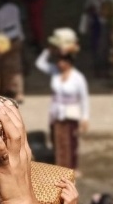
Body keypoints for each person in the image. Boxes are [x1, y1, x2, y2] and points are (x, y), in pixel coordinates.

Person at [36, 34, 90, 172]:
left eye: (63, 62)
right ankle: (59, 167)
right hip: (56, 112)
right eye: (58, 62)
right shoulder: (55, 73)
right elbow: (40, 64)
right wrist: (49, 50)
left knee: (71, 142)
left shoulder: (78, 78)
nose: (60, 64)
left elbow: (84, 98)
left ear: (69, 62)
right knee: (57, 141)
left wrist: (85, 117)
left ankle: (72, 168)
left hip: (71, 113)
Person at [81, 0, 113, 78]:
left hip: (105, 22)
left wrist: (106, 11)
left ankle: (105, 69)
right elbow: (86, 6)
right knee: (95, 46)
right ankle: (98, 69)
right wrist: (91, 9)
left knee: (104, 47)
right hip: (95, 22)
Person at [0, 0, 25, 102]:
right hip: (17, 38)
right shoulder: (15, 8)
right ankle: (19, 93)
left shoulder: (0, 12)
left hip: (5, 42)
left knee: (5, 67)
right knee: (16, 68)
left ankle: (8, 90)